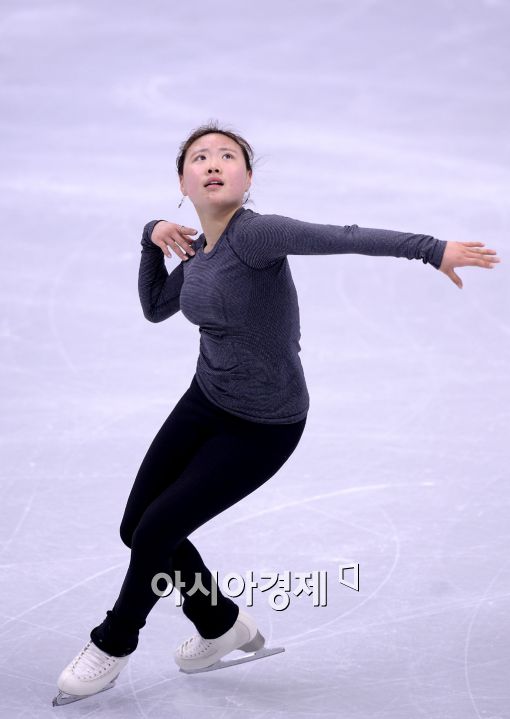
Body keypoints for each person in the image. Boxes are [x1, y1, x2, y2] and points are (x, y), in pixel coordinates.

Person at [53, 121, 501, 704]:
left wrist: (431, 250)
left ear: (247, 177)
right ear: (182, 183)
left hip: (264, 426)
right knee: (135, 528)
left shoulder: (255, 236)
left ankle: (114, 643)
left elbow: (345, 235)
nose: (214, 164)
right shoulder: (197, 251)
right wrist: (149, 236)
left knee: (158, 530)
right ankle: (219, 625)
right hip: (204, 401)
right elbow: (156, 308)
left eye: (228, 156)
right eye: (199, 158)